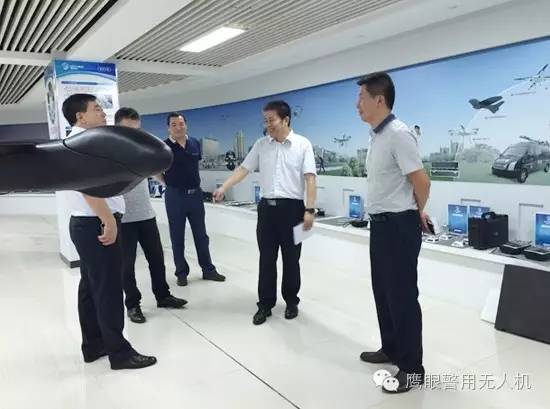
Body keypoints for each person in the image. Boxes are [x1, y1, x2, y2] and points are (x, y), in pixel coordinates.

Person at [62, 94, 156, 370]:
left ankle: (94, 345)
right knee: (109, 290)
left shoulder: (79, 142)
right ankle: (120, 353)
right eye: (97, 109)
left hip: (88, 223)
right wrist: (108, 220)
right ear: (80, 116)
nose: (103, 113)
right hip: (96, 223)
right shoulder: (82, 145)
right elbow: (87, 186)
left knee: (91, 287)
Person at [355, 73, 431, 393]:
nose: (357, 104)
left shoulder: (399, 134)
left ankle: (412, 369)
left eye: (361, 98)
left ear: (379, 100)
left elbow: (422, 182)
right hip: (381, 226)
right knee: (383, 293)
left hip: (399, 226)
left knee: (401, 297)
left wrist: (415, 211)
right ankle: (391, 348)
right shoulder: (377, 136)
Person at [213, 100, 317, 325]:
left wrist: (310, 210)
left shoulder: (303, 144)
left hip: (294, 211)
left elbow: (310, 179)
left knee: (292, 259)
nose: (267, 125)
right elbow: (243, 169)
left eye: (271, 120)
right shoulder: (261, 145)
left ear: (285, 120)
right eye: (265, 121)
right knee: (266, 259)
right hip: (267, 211)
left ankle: (291, 301)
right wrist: (224, 187)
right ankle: (265, 304)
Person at [114, 107, 187, 324]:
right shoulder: (111, 152)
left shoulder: (143, 149)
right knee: (126, 266)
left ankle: (163, 296)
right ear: (117, 128)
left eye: (136, 129)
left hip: (146, 214)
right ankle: (132, 304)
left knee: (157, 259)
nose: (133, 133)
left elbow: (154, 171)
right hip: (123, 218)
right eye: (128, 129)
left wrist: (168, 183)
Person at [158, 112, 225, 286]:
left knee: (201, 235)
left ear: (186, 125)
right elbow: (155, 170)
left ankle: (208, 270)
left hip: (195, 195)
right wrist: (168, 184)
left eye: (181, 124)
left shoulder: (194, 143)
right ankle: (181, 273)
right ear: (168, 128)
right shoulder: (163, 147)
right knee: (177, 236)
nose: (178, 127)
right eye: (174, 124)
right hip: (175, 196)